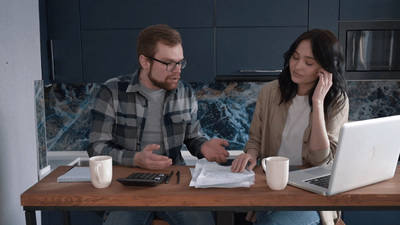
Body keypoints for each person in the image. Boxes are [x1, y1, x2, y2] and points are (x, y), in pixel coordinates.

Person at [88, 24, 229, 225]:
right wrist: (135, 159)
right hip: (127, 185)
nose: (177, 71)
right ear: (145, 61)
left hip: (174, 182)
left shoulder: (185, 92)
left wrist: (203, 145)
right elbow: (96, 147)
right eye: (169, 63)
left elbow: (192, 137)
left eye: (180, 63)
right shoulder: (111, 91)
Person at [231, 29, 349, 225]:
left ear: (325, 68)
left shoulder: (337, 101)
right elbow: (255, 140)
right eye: (295, 57)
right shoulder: (269, 93)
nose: (298, 66)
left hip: (313, 194)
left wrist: (318, 102)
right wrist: (251, 154)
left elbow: (322, 161)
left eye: (309, 63)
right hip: (271, 186)